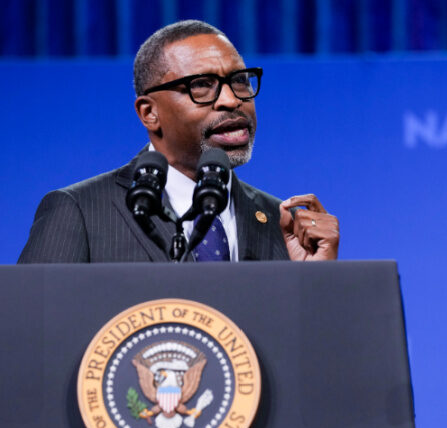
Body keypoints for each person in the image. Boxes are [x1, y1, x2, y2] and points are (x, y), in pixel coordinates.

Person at [18, 20, 339, 263]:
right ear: (149, 112)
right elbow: (33, 337)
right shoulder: (81, 212)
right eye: (201, 85)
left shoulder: (279, 224)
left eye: (240, 81)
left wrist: (312, 284)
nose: (231, 100)